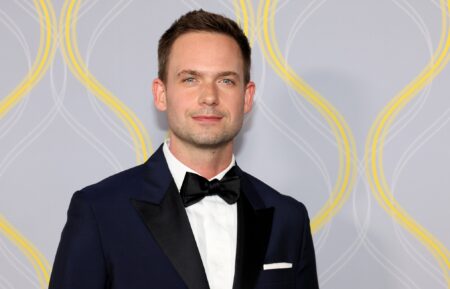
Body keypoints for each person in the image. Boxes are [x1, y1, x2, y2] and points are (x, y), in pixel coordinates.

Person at [49, 9, 319, 289]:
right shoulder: (100, 211)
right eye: (190, 79)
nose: (210, 97)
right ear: (161, 94)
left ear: (247, 97)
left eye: (226, 80)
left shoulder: (289, 218)